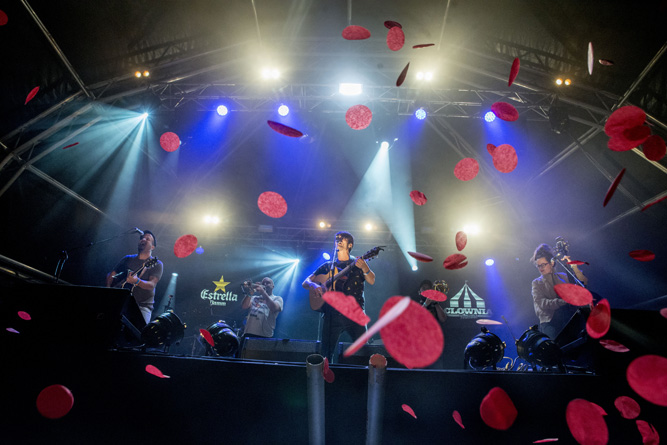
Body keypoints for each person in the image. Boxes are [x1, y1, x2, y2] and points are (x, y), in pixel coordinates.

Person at [302, 231, 375, 362]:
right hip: (332, 315)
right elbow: (305, 282)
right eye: (337, 239)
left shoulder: (358, 263)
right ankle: (326, 374)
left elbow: (372, 280)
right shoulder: (328, 266)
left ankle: (362, 375)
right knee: (326, 355)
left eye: (343, 239)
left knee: (363, 353)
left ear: (350, 245)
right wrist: (313, 285)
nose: (339, 241)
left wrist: (365, 268)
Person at [530, 243, 588, 339]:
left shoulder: (563, 276)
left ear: (552, 263)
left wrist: (573, 266)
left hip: (568, 318)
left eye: (543, 265)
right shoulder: (536, 283)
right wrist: (563, 301)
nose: (541, 268)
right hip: (550, 322)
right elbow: (542, 303)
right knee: (555, 344)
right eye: (538, 266)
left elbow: (581, 285)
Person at [106, 231, 163, 325]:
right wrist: (108, 291)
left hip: (142, 307)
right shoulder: (127, 258)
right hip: (121, 302)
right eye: (142, 238)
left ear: (152, 247)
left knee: (136, 332)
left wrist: (137, 281)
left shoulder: (156, 263)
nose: (143, 239)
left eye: (147, 239)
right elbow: (111, 274)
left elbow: (151, 285)